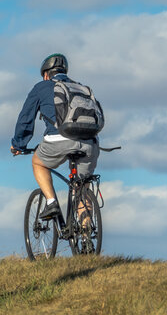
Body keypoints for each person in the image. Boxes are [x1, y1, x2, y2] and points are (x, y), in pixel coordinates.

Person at [10, 53, 101, 221]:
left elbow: (25, 119)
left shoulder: (41, 87)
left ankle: (51, 202)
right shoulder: (81, 87)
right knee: (81, 188)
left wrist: (18, 145)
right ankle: (86, 233)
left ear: (46, 74)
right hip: (90, 143)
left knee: (38, 163)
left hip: (59, 139)